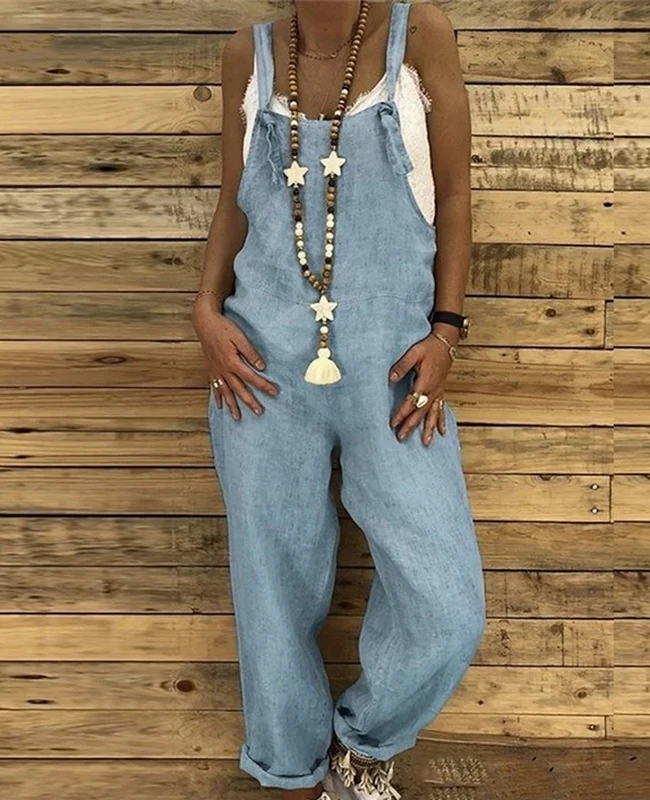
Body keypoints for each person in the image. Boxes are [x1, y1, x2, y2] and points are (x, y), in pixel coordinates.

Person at [191, 2, 486, 798]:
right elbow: (233, 201)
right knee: (272, 587)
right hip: (258, 369)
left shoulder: (419, 35)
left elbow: (456, 193)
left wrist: (447, 330)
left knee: (447, 604)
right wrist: (205, 312)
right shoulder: (248, 53)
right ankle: (291, 774)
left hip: (395, 373)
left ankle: (361, 751)